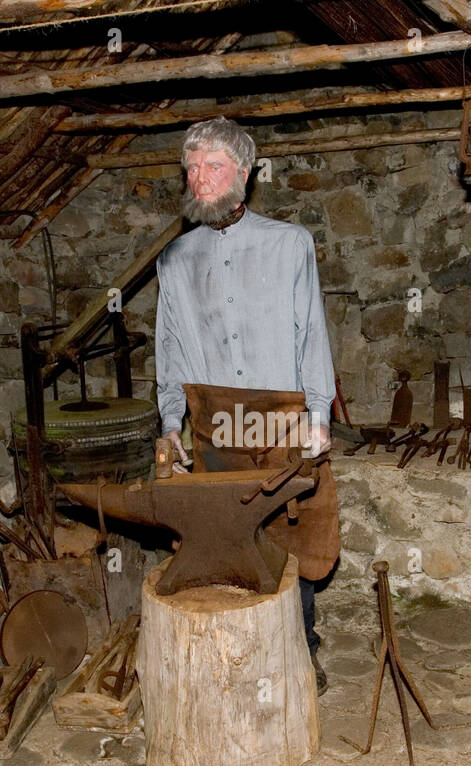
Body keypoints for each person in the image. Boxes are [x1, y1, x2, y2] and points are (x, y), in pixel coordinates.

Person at [154, 116, 338, 694]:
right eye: (192, 167)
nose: (200, 179)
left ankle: (299, 654)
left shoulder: (290, 245)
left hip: (279, 418)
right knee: (224, 540)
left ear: (244, 173)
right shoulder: (175, 260)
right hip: (214, 422)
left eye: (213, 166)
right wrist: (170, 423)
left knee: (293, 538)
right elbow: (171, 346)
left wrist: (318, 414)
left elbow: (312, 332)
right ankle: (234, 661)